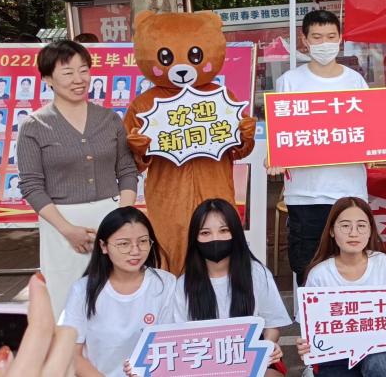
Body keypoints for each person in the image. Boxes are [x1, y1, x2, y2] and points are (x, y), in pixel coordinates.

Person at [18, 39, 138, 315]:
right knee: (67, 303)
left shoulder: (109, 120)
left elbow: (127, 171)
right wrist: (67, 229)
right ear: (47, 78)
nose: (78, 79)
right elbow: (32, 185)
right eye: (68, 72)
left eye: (83, 70)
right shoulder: (34, 126)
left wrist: (123, 219)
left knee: (117, 299)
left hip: (112, 217)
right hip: (61, 224)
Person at [265, 10, 374, 283]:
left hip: (349, 192)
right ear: (305, 40)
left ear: (340, 39)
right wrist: (273, 156)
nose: (324, 43)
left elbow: (370, 132)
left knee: (353, 267)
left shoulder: (355, 81)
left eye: (330, 36)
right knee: (308, 268)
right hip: (305, 196)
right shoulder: (289, 82)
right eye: (317, 37)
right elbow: (279, 136)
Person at [170, 199, 289, 377]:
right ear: (194, 238)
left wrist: (267, 347)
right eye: (205, 233)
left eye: (224, 230)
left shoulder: (257, 273)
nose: (215, 238)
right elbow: (180, 338)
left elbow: (272, 325)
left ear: (236, 233)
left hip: (250, 357)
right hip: (203, 361)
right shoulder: (183, 284)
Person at [59, 207, 175, 377]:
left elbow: (170, 345)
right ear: (103, 246)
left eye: (143, 241)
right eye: (124, 244)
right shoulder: (82, 290)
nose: (135, 251)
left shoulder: (166, 283)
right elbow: (72, 354)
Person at [299, 197, 386, 376]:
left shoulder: (385, 264)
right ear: (332, 231)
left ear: (370, 231)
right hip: (335, 352)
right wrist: (305, 344)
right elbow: (310, 327)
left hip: (378, 348)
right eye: (345, 226)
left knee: (382, 362)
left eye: (361, 226)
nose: (353, 233)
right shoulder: (319, 274)